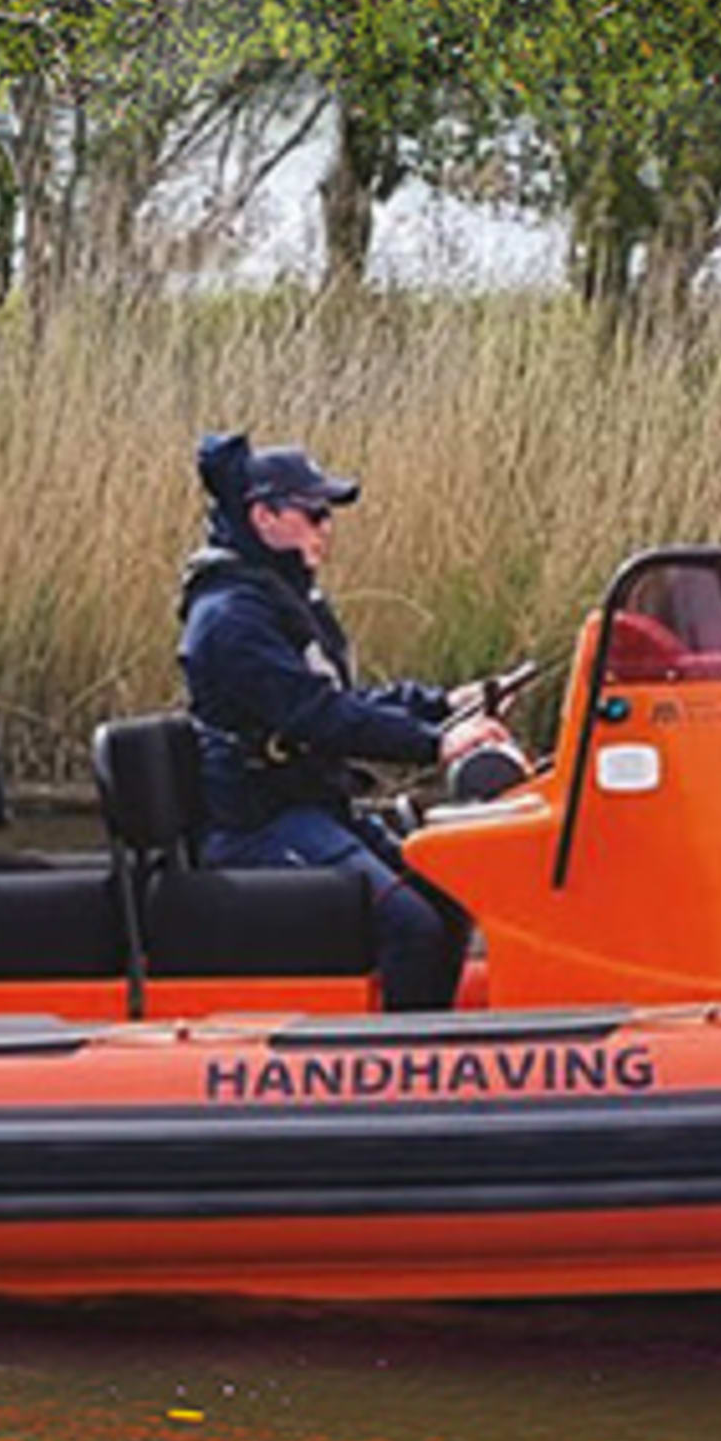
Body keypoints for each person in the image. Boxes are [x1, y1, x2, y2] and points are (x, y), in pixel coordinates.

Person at [177, 430, 498, 1013]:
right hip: (258, 825)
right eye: (315, 514)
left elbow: (345, 697)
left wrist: (443, 704)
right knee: (410, 923)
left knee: (447, 898)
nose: (327, 529)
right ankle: (404, 1071)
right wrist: (437, 744)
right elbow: (318, 716)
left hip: (311, 808)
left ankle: (433, 1038)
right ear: (265, 517)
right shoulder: (230, 619)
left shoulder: (282, 600)